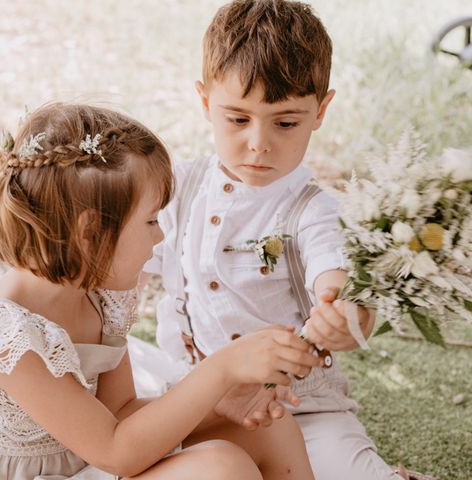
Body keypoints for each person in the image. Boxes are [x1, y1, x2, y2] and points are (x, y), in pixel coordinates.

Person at [0, 102, 323, 480]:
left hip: (80, 454)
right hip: (52, 466)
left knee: (268, 428)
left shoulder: (100, 299)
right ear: (91, 232)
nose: (159, 239)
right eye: (151, 222)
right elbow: (117, 450)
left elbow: (122, 412)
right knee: (220, 467)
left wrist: (218, 401)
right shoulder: (4, 337)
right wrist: (221, 370)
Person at [140, 1, 427, 479]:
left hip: (301, 407)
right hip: (194, 401)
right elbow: (117, 263)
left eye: (286, 122)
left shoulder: (314, 210)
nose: (259, 143)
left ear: (321, 111)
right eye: (237, 119)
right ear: (206, 103)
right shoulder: (177, 187)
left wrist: (345, 315)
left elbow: (335, 282)